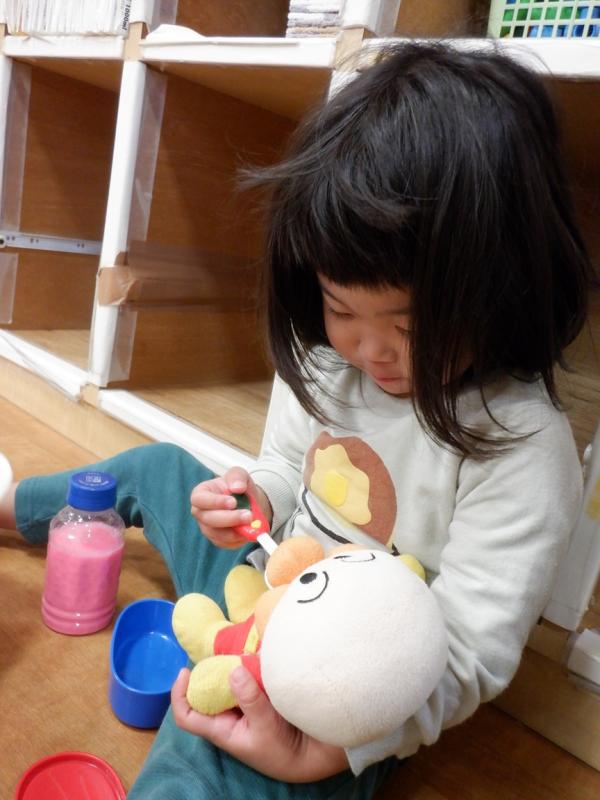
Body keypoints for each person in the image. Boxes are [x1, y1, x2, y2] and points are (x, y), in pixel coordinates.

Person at [2, 41, 595, 799]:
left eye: (411, 326)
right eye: (341, 309)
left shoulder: (521, 447)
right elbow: (289, 468)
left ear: (506, 290)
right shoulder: (324, 358)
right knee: (156, 467)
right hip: (266, 577)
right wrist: (255, 499)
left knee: (205, 758)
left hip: (340, 686)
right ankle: (13, 506)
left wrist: (325, 751)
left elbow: (462, 653)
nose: (370, 351)